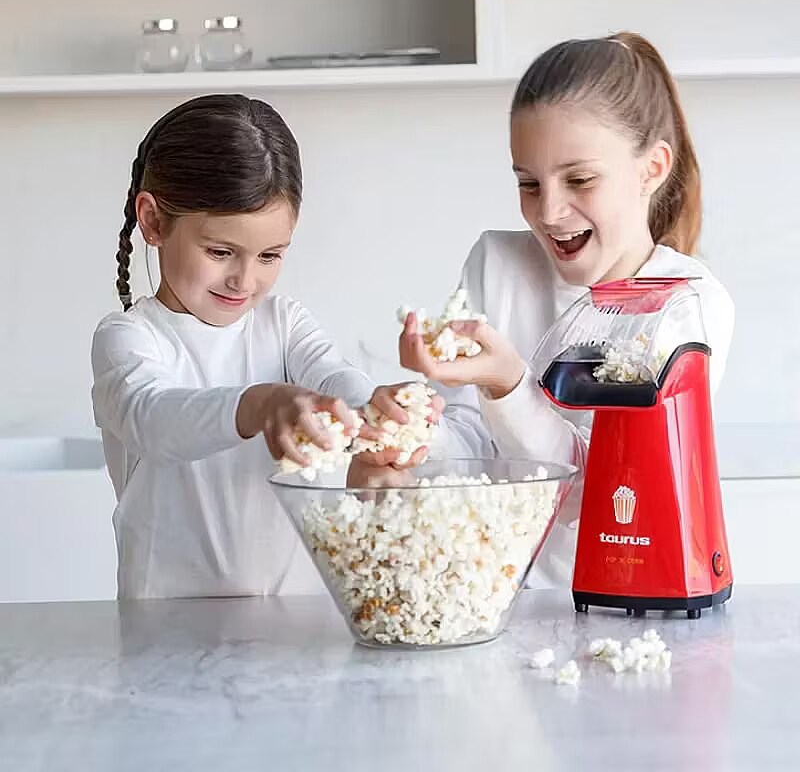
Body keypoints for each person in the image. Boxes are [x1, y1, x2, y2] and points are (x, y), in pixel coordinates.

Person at [399, 33, 735, 587]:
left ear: (651, 169)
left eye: (580, 180)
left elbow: (613, 490)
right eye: (529, 183)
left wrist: (509, 385)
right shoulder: (496, 264)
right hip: (488, 595)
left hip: (622, 601)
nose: (550, 212)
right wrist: (414, 432)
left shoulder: (687, 304)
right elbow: (466, 441)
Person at [91, 94, 434, 599]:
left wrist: (374, 408)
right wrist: (258, 404)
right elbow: (153, 420)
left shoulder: (284, 325)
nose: (245, 280)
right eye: (220, 251)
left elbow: (333, 375)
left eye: (270, 256)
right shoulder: (129, 338)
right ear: (154, 221)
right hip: (164, 626)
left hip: (294, 619)